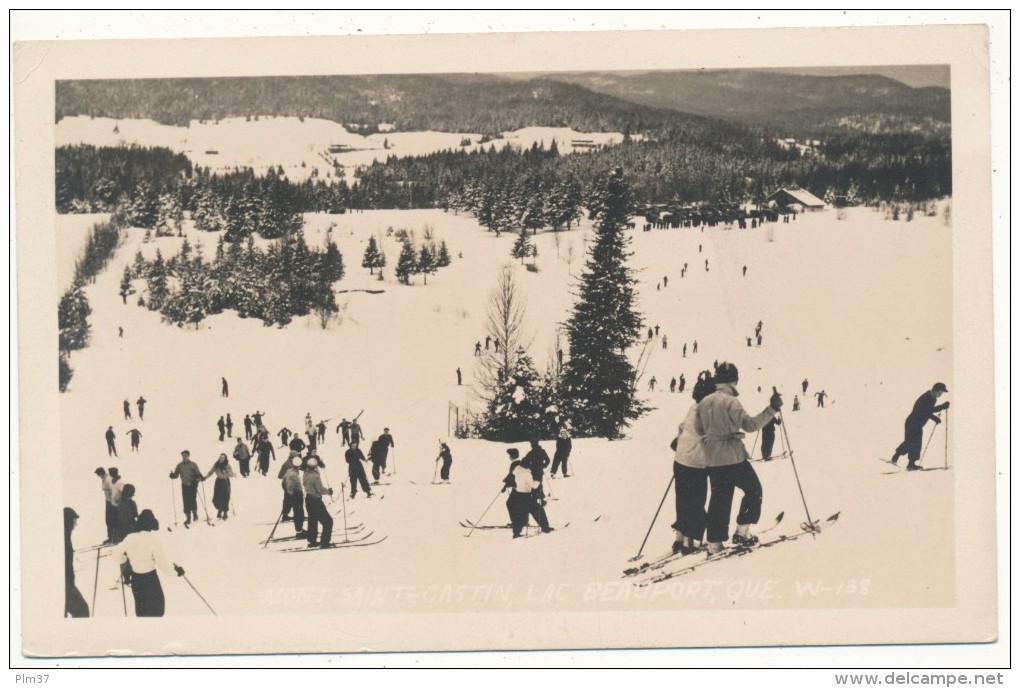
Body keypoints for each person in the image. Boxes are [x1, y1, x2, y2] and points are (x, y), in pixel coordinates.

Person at [697, 363, 782, 555]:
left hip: (712, 458)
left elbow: (699, 430)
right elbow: (750, 425)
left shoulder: (704, 402)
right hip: (732, 457)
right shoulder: (731, 401)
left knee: (720, 498)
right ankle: (742, 532)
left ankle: (715, 543)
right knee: (754, 489)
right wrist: (772, 409)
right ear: (734, 380)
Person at [671, 371, 715, 555]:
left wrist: (681, 442)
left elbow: (681, 428)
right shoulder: (707, 410)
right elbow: (710, 436)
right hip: (696, 463)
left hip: (680, 460)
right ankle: (689, 542)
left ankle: (679, 538)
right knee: (696, 501)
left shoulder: (693, 407)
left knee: (682, 499)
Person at [116, 510, 185, 617]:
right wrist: (177, 572)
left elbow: (115, 553)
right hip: (150, 579)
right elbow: (164, 566)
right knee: (157, 609)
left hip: (136, 580)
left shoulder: (130, 538)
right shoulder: (153, 540)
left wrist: (123, 559)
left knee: (141, 611)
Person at [890, 383, 950, 470]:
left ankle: (909, 464)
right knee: (911, 442)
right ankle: (898, 459)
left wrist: (936, 416)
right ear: (936, 390)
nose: (940, 395)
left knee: (916, 443)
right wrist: (941, 408)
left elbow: (927, 411)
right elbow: (926, 411)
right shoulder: (927, 397)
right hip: (912, 423)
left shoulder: (932, 398)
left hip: (917, 423)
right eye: (940, 393)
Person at [502, 448, 552, 537]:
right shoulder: (527, 474)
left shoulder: (517, 470)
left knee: (520, 514)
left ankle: (516, 533)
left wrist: (506, 483)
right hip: (527, 496)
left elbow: (511, 476)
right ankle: (545, 528)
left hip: (518, 495)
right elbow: (534, 485)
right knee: (537, 510)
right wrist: (538, 481)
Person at [302, 457, 334, 548]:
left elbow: (305, 484)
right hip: (315, 501)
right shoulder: (315, 476)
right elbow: (320, 489)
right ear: (315, 467)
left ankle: (312, 541)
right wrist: (328, 491)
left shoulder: (305, 473)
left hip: (308, 499)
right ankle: (325, 542)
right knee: (328, 521)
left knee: (313, 520)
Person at [64, 508, 89, 618]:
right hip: (66, 584)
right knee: (82, 610)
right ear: (68, 521)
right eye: (74, 521)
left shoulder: (65, 535)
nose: (76, 524)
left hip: (68, 583)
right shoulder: (64, 537)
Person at [169, 450, 204, 527]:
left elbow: (198, 474)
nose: (184, 457)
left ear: (188, 456)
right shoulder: (179, 465)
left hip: (192, 485)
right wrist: (172, 475)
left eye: (186, 455)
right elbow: (176, 475)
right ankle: (188, 518)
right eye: (183, 455)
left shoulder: (193, 464)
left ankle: (195, 514)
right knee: (186, 501)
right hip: (184, 485)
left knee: (193, 500)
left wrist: (198, 478)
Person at [204, 453, 235, 519]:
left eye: (223, 458)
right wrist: (205, 477)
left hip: (225, 481)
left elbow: (232, 475)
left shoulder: (227, 465)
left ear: (225, 459)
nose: (221, 459)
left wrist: (227, 471)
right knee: (217, 497)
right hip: (218, 482)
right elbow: (211, 472)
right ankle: (220, 510)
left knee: (225, 497)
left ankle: (225, 513)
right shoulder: (216, 465)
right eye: (220, 458)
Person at [281, 455, 305, 536]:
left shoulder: (289, 471)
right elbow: (290, 486)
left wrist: (287, 492)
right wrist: (290, 494)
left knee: (299, 512)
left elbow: (283, 482)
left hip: (295, 494)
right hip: (296, 495)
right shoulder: (293, 475)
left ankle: (299, 529)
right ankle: (299, 531)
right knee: (299, 513)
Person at [96, 467, 116, 543]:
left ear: (100, 473)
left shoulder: (108, 479)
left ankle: (112, 537)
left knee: (110, 520)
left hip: (111, 502)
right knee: (108, 520)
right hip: (108, 501)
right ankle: (110, 536)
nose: (98, 476)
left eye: (98, 474)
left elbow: (112, 489)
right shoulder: (104, 479)